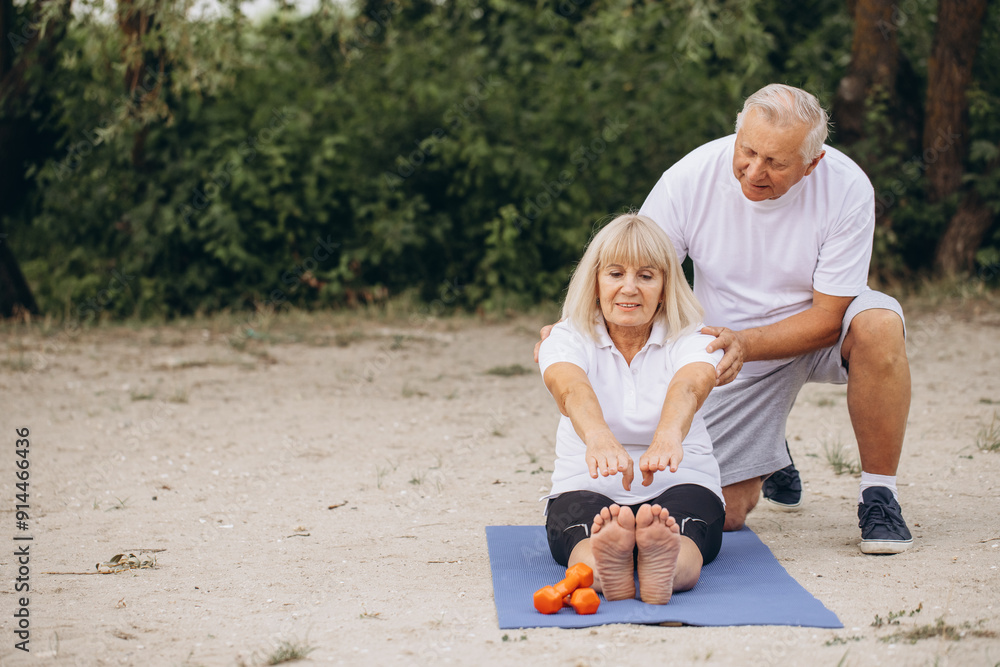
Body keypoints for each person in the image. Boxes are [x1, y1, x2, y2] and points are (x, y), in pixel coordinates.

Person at [536, 83, 913, 555]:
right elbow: (637, 269)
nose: (754, 171)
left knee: (879, 320)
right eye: (747, 150)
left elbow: (828, 316)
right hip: (721, 350)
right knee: (728, 515)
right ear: (737, 131)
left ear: (812, 162)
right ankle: (772, 450)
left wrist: (746, 343)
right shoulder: (689, 178)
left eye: (775, 163)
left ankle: (879, 494)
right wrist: (571, 326)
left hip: (814, 335)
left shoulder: (847, 187)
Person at [537, 213, 725, 604]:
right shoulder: (567, 337)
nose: (629, 288)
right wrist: (600, 438)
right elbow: (570, 387)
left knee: (682, 536)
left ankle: (660, 564)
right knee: (586, 538)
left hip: (680, 481)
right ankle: (612, 563)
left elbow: (690, 385)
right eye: (615, 273)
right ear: (595, 282)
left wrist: (669, 436)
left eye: (645, 275)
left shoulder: (692, 336)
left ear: (664, 286)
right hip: (586, 484)